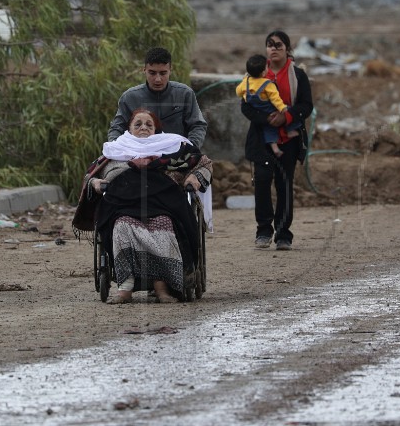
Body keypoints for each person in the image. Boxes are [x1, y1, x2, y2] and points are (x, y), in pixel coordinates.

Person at [89, 108, 213, 304]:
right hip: (125, 205)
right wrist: (95, 182)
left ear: (156, 130)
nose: (143, 128)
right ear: (129, 129)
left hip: (164, 206)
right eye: (138, 124)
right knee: (121, 225)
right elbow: (93, 174)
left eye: (149, 124)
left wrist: (194, 178)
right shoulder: (116, 149)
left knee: (164, 226)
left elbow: (204, 164)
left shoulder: (173, 147)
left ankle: (161, 288)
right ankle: (125, 289)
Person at [240, 30, 314, 251]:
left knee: (284, 185)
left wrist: (286, 116)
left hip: (289, 140)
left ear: (287, 49)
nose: (273, 48)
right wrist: (267, 119)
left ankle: (283, 234)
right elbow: (245, 106)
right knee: (262, 181)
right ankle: (263, 231)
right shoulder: (254, 74)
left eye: (278, 45)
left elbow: (306, 106)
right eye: (269, 45)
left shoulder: (298, 76)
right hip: (262, 138)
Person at [107, 47, 208, 149]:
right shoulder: (129, 98)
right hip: (139, 154)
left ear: (170, 71)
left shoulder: (185, 94)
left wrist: (190, 148)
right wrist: (116, 149)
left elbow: (198, 125)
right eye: (152, 73)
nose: (158, 79)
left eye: (163, 73)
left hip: (177, 154)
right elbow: (117, 128)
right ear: (144, 70)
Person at [236, 54, 301, 157]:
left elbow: (238, 92)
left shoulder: (245, 82)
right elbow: (275, 98)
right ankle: (290, 130)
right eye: (267, 67)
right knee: (292, 112)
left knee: (268, 128)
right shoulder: (267, 84)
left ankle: (274, 148)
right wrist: (282, 109)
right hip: (271, 109)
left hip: (259, 111)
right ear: (263, 72)